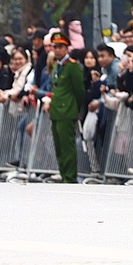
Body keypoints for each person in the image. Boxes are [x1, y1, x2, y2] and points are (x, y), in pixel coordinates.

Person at [45, 30, 87, 183]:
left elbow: (79, 90)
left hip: (67, 110)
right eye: (54, 47)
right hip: (57, 111)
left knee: (67, 146)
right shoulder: (57, 66)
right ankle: (64, 174)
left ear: (66, 48)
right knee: (59, 146)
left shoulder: (72, 66)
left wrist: (75, 108)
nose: (56, 50)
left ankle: (70, 177)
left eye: (60, 47)